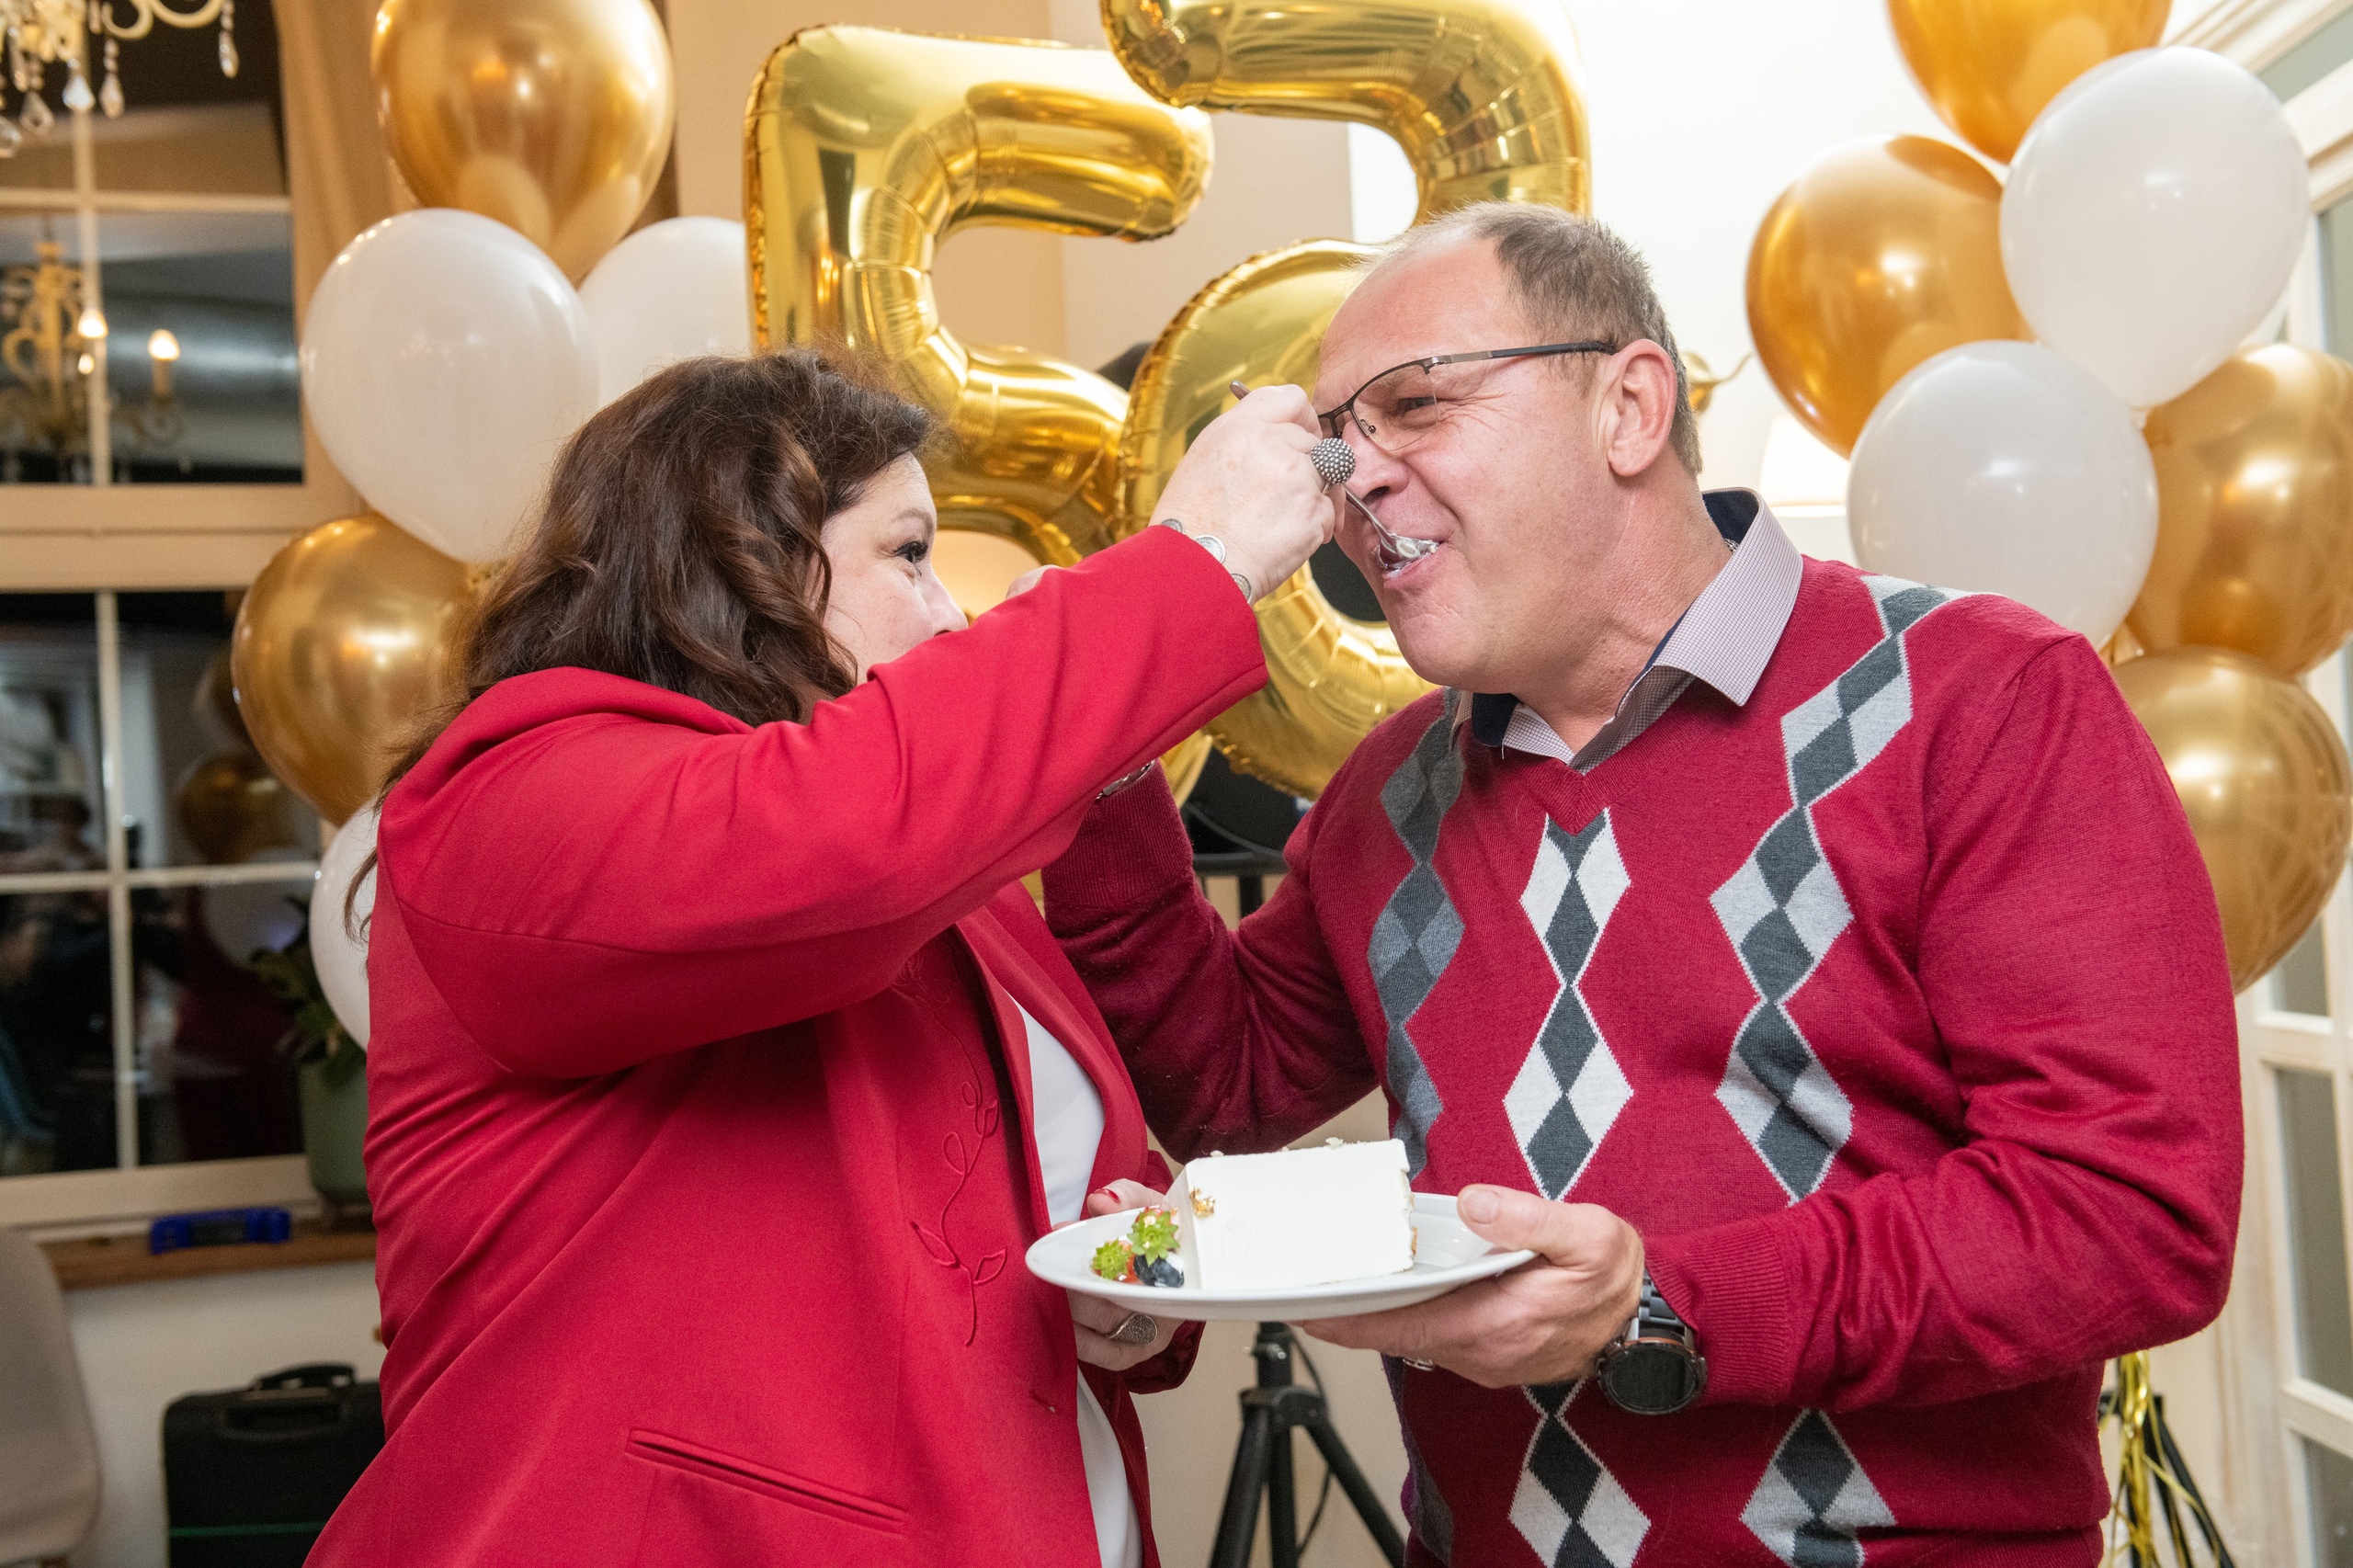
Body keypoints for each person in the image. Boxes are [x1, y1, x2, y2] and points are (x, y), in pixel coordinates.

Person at [1042, 204, 2242, 1566]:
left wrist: (1659, 1305)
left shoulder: (1979, 701)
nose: (1353, 481)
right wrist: (1099, 727)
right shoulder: (1389, 792)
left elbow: (2133, 1214)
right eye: (1336, 442)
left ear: (1627, 405)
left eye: (1414, 406)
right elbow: (1222, 1079)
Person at [307, 349, 1334, 1567]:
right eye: (909, 553)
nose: (950, 608)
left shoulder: (961, 897)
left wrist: (1127, 1293)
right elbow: (840, 838)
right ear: (745, 563)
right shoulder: (507, 802)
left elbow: (1045, 1212)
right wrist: (1192, 562)